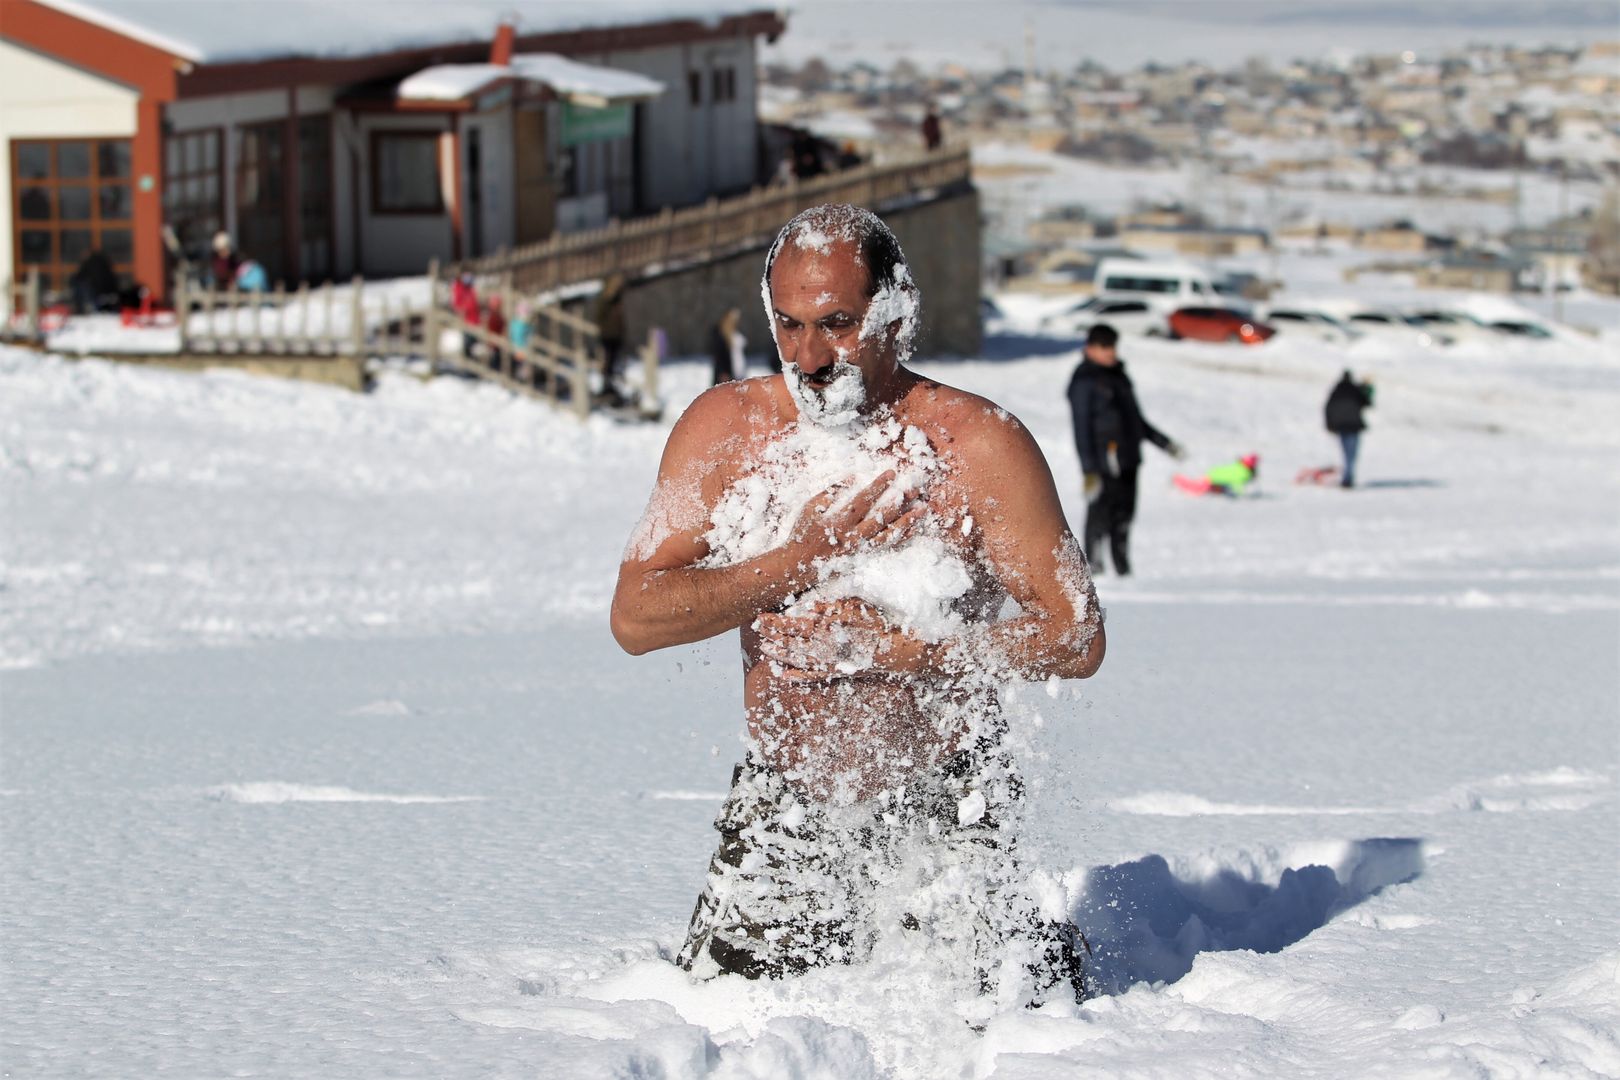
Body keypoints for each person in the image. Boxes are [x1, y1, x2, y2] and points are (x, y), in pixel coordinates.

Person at [611, 204, 1104, 1006]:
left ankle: (1037, 947)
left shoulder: (976, 445)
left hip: (942, 795)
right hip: (787, 796)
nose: (809, 357)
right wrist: (791, 564)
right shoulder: (727, 430)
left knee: (987, 1019)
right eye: (789, 325)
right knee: (736, 1020)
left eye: (837, 324)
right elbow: (636, 618)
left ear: (897, 312)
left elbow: (1076, 635)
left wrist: (923, 655)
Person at [1066, 323, 1183, 575]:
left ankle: (1122, 568)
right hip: (1103, 460)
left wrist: (1163, 442)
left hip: (1129, 458)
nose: (1111, 353)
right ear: (1091, 348)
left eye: (1113, 347)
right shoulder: (1085, 381)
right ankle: (1094, 566)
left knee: (1124, 516)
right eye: (1104, 347)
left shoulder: (1119, 376)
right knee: (1100, 513)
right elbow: (1081, 428)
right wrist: (1089, 470)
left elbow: (1134, 419)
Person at [1324, 370, 1374, 488]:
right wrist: (1367, 389)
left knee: (1346, 452)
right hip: (1353, 425)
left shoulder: (1336, 391)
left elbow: (1328, 407)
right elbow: (1367, 402)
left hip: (1341, 425)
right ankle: (1348, 477)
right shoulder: (1354, 389)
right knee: (1352, 454)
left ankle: (1347, 477)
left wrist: (1329, 424)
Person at [594, 273, 628, 405]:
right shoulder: (605, 299)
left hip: (616, 335)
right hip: (607, 335)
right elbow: (600, 317)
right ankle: (606, 386)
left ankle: (612, 386)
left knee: (615, 362)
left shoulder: (617, 299)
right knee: (608, 361)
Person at [1174, 453, 1259, 496]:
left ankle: (1177, 480)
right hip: (1212, 480)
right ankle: (1177, 481)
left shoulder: (1239, 466)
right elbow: (1237, 485)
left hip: (1213, 477)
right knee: (1196, 489)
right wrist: (1240, 494)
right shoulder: (1243, 473)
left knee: (1196, 487)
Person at [68, 250, 119, 314]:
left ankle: (83, 308)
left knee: (81, 286)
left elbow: (79, 277)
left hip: (95, 292)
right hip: (106, 291)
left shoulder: (89, 264)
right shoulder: (104, 263)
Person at [708, 307, 747, 385]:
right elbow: (719, 355)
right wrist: (723, 372)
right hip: (726, 372)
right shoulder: (720, 334)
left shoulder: (736, 332)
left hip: (738, 369)